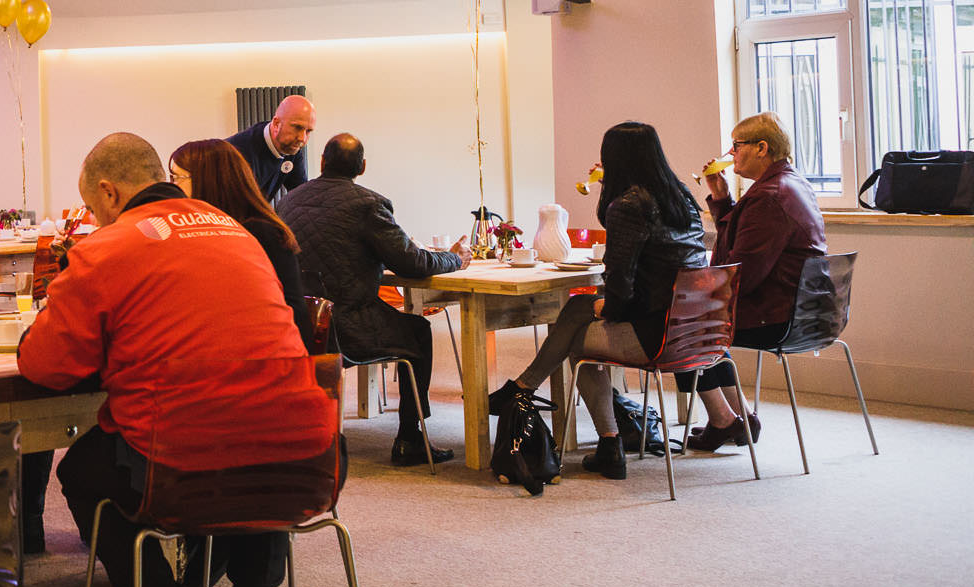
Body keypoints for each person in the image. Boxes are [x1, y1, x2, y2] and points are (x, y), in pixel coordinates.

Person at [20, 133, 337, 587]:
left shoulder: (106, 249)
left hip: (181, 465)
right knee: (253, 433)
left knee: (81, 471)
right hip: (309, 455)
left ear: (108, 193)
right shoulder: (237, 231)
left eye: (95, 210)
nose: (96, 220)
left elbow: (46, 366)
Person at [486, 123, 709, 479]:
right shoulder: (681, 197)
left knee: (576, 338)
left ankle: (604, 439)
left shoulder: (630, 204)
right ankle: (524, 390)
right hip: (695, 330)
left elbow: (619, 278)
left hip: (657, 334)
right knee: (578, 310)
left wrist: (612, 308)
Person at [277, 134, 466, 466]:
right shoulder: (368, 204)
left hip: (300, 322)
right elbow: (414, 264)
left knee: (398, 323)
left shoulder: (289, 201)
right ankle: (410, 439)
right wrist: (455, 260)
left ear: (321, 161)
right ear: (363, 167)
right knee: (418, 331)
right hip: (347, 325)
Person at [687, 111, 827, 449]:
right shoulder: (789, 184)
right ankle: (739, 418)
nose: (730, 153)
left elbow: (739, 276)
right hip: (802, 312)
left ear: (761, 148)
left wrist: (692, 292)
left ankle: (725, 420)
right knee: (696, 318)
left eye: (736, 145)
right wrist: (720, 197)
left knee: (680, 325)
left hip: (775, 315)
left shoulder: (769, 196)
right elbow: (740, 250)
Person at [169, 138, 319, 351]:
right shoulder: (229, 228)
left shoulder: (257, 233)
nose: (172, 187)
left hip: (272, 355)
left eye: (177, 178)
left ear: (206, 180)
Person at [226, 93, 315, 206]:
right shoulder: (238, 153)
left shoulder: (291, 148)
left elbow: (301, 197)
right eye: (297, 127)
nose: (302, 138)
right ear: (277, 124)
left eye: (308, 131)